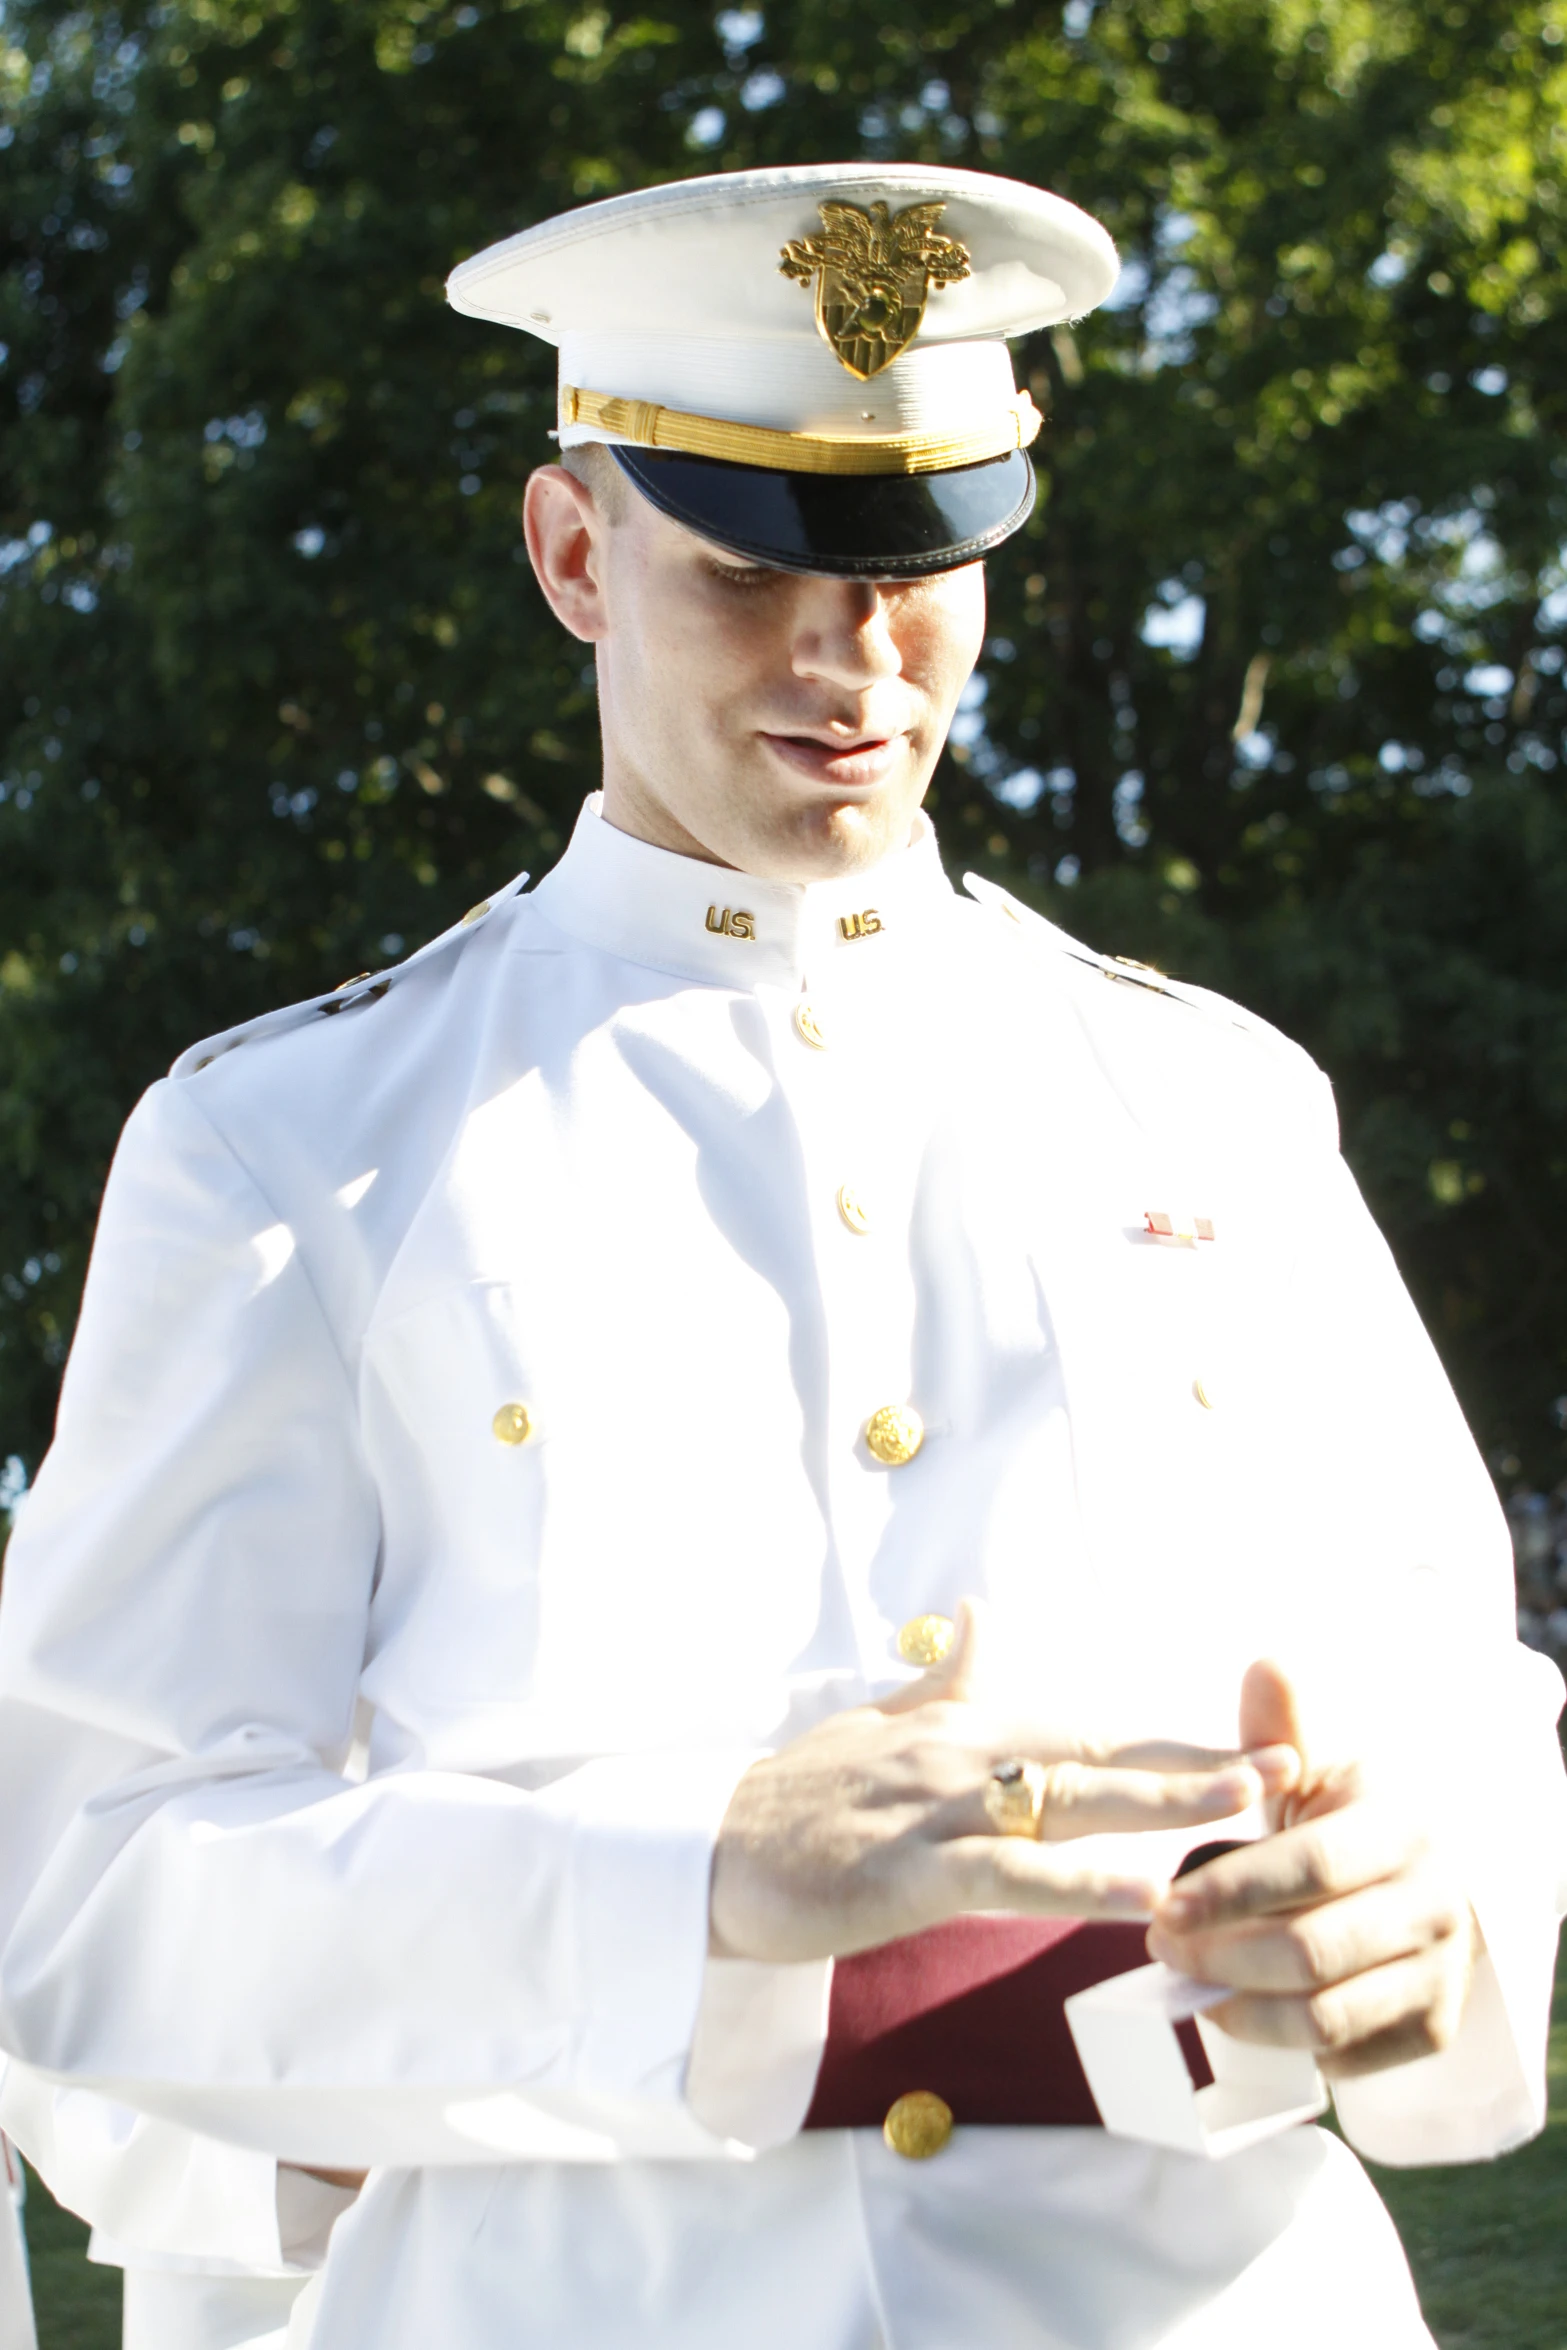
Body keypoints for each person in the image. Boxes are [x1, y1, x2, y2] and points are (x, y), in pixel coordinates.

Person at [0, 161, 1562, 2350]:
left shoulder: (1219, 1103)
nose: (855, 658)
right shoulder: (287, 1145)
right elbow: (94, 1882)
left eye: (931, 569)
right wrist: (701, 1864)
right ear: (573, 551)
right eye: (749, 571)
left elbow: (1443, 1687)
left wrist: (1427, 1898)